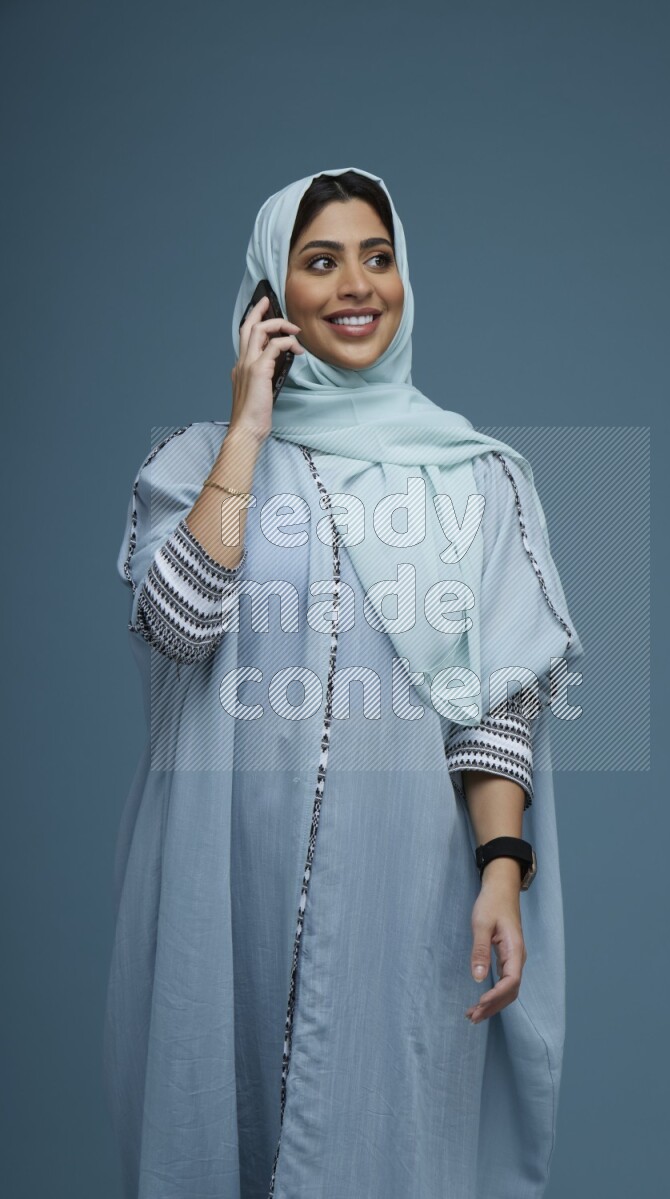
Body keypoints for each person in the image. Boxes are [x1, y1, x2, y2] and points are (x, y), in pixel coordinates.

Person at [103, 166, 584, 1199]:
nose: (356, 285)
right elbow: (179, 626)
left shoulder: (475, 477)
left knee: (386, 1137)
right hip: (223, 873)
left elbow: (494, 696)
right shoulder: (194, 465)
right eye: (319, 262)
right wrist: (246, 429)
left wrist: (500, 864)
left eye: (377, 257)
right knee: (218, 1127)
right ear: (269, 296)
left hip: (403, 884)